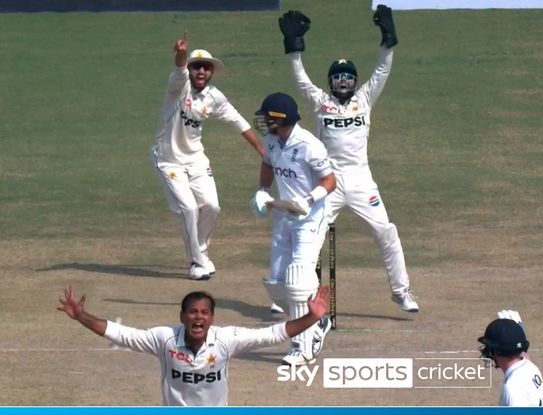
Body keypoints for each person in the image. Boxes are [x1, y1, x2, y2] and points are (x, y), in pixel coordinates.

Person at [277, 5, 419, 313]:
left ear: (354, 82)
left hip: (361, 180)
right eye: (338, 77)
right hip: (327, 183)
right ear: (331, 82)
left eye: (348, 77)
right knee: (309, 236)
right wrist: (294, 49)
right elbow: (300, 80)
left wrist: (388, 40)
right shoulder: (320, 102)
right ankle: (292, 294)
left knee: (385, 231)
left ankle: (401, 291)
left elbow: (382, 70)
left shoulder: (365, 99)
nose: (343, 81)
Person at [57, 284, 329, 406]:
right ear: (182, 317)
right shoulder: (164, 339)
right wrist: (80, 316)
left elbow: (272, 334)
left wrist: (311, 317)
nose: (198, 317)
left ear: (211, 318)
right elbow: (120, 333)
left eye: (204, 313)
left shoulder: (225, 339)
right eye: (192, 312)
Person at [150, 31, 265, 281]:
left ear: (211, 72)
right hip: (168, 160)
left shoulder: (214, 97)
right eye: (196, 67)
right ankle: (195, 262)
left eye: (205, 67)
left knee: (212, 207)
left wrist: (262, 151)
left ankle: (200, 251)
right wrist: (181, 54)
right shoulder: (178, 86)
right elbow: (180, 68)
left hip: (196, 159)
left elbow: (239, 122)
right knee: (189, 209)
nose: (201, 71)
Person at [249, 92, 336, 366]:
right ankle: (316, 321)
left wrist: (309, 198)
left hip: (311, 217)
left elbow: (330, 181)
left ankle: (302, 346)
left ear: (279, 119)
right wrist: (263, 191)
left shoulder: (309, 144)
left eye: (267, 116)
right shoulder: (271, 141)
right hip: (284, 215)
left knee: (298, 279)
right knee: (277, 284)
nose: (263, 121)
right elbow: (267, 165)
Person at [478, 311, 543, 407]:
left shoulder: (513, 391)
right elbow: (523, 353)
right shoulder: (530, 367)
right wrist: (516, 333)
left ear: (494, 351)